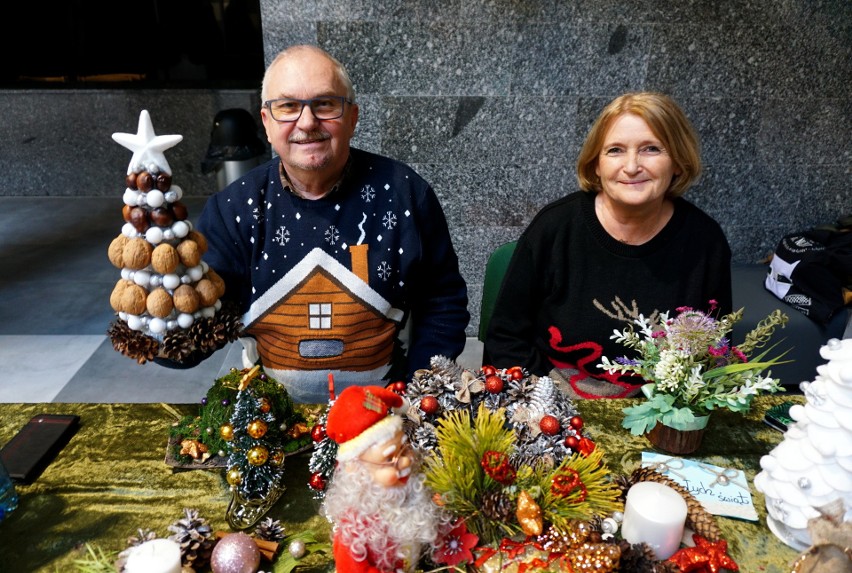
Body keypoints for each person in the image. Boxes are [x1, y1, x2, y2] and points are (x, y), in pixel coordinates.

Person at [196, 45, 469, 403]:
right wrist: (159, 321)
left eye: (325, 104)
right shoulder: (232, 208)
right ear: (266, 122)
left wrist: (419, 392)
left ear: (353, 117)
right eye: (288, 106)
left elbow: (443, 301)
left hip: (389, 408)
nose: (307, 123)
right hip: (272, 418)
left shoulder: (405, 194)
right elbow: (201, 321)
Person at [484, 92, 732, 400]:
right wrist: (547, 408)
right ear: (596, 165)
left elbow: (712, 353)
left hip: (658, 411)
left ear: (678, 163)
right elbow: (506, 341)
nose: (631, 166)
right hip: (550, 403)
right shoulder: (555, 228)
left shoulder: (704, 241)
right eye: (615, 150)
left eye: (651, 149)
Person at [322, 385, 448, 573]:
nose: (405, 462)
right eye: (390, 459)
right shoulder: (354, 533)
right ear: (358, 471)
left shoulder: (414, 496)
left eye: (404, 449)